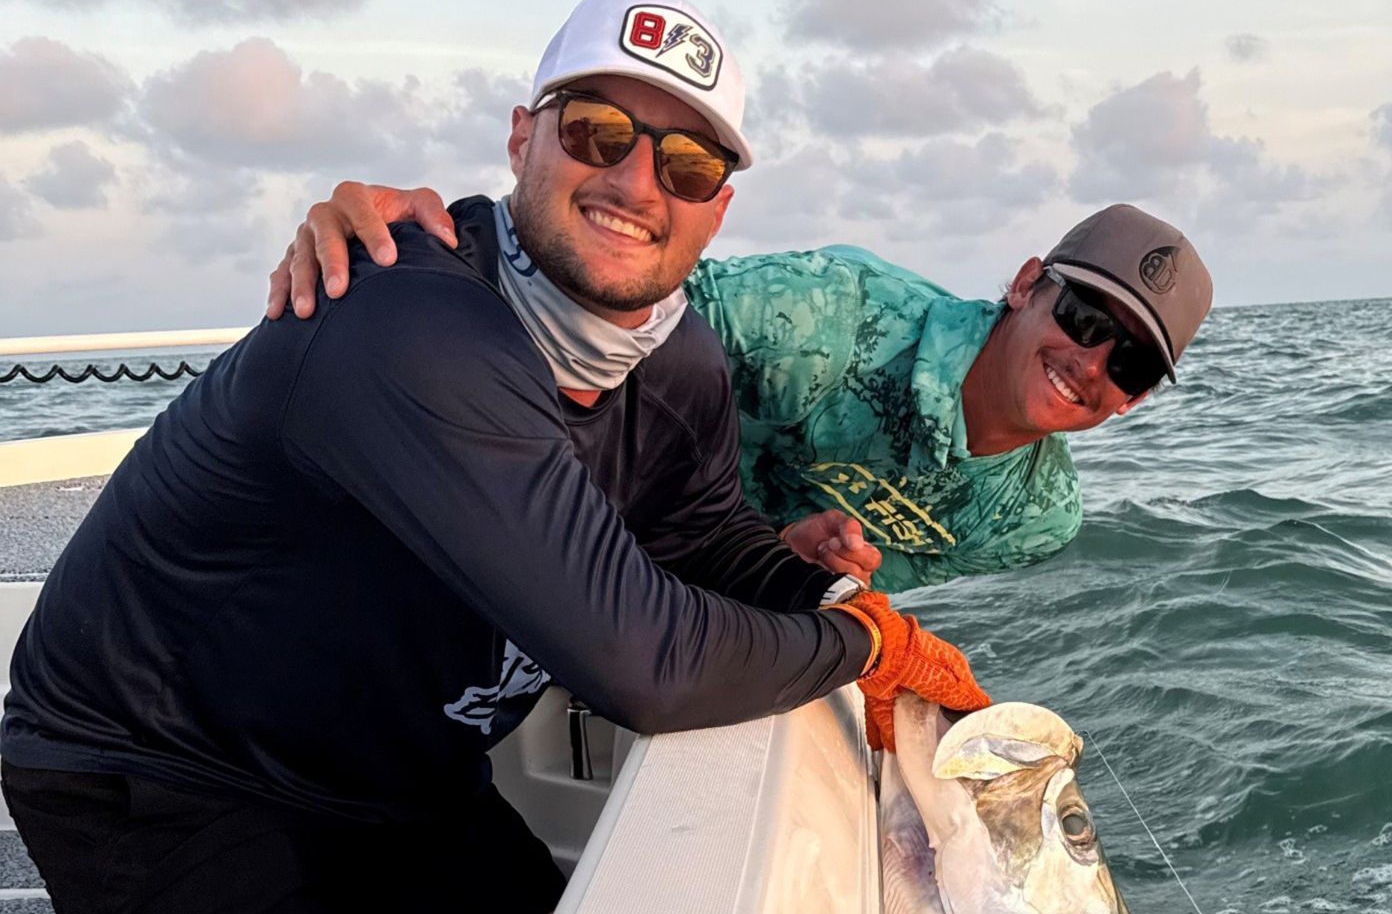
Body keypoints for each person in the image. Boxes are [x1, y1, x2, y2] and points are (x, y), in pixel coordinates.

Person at [0, 0, 988, 914]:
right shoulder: (406, 324)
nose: (635, 182)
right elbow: (644, 665)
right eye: (597, 132)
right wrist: (863, 647)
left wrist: (830, 595)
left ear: (719, 207)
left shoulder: (679, 360)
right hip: (164, 773)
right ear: (523, 138)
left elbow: (705, 537)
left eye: (687, 164)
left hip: (395, 783)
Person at [269, 191, 1215, 592]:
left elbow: (838, 587)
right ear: (1026, 283)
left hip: (697, 595)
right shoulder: (829, 310)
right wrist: (439, 249)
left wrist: (785, 557)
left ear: (1135, 399)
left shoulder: (1039, 518)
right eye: (1084, 316)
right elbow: (612, 306)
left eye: (1131, 363)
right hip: (538, 527)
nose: (1091, 363)